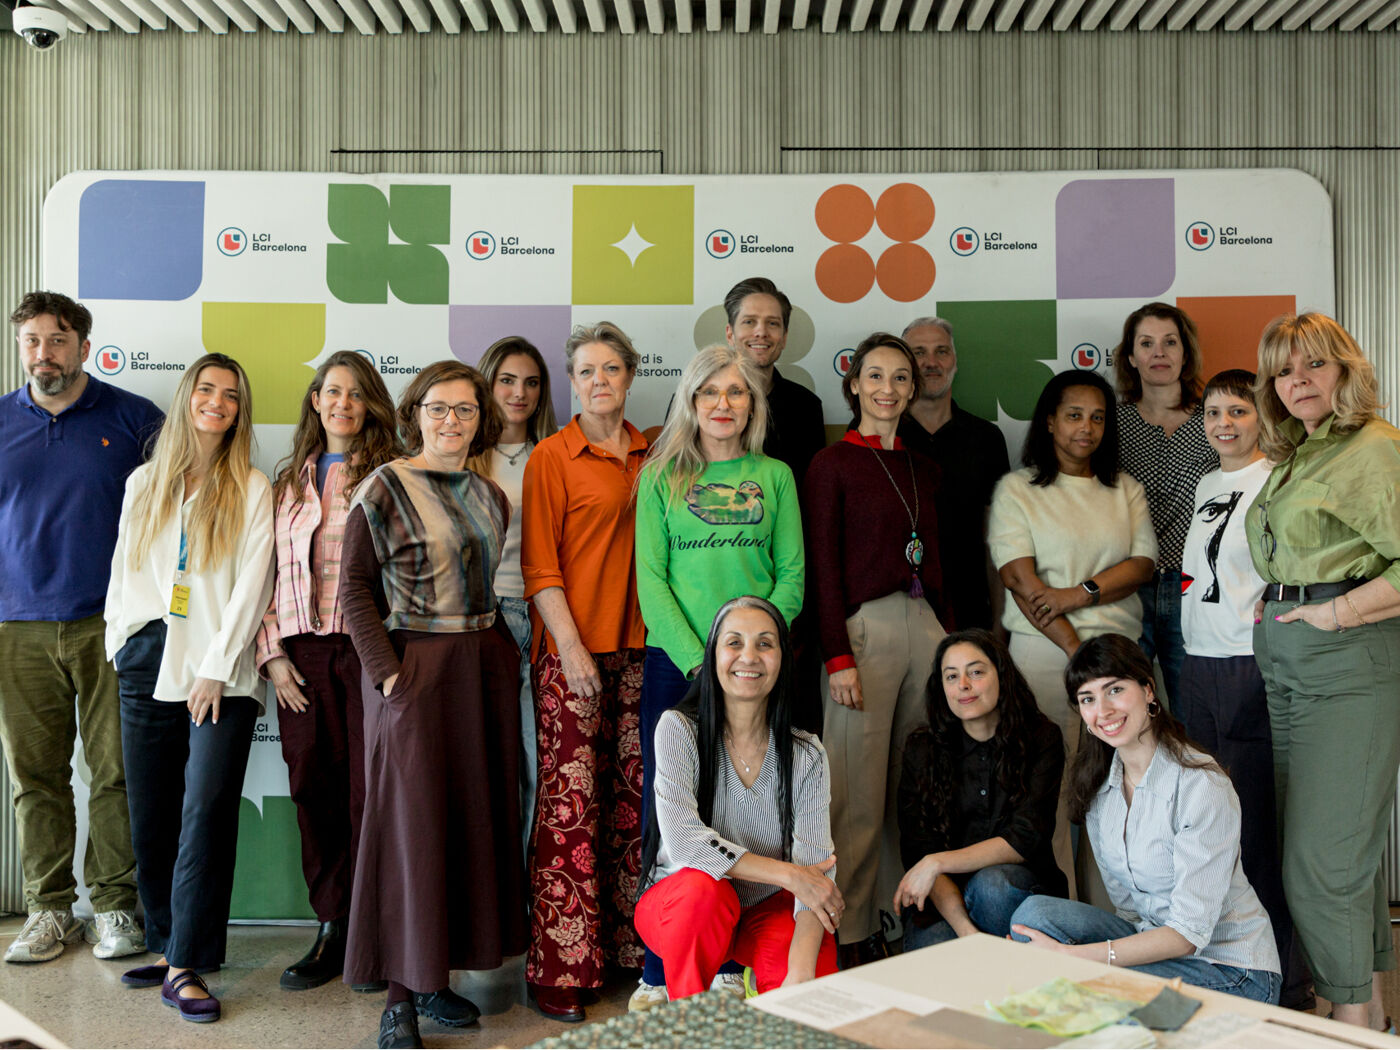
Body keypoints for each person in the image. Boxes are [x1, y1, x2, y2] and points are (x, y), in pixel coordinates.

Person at [340, 359, 525, 1050]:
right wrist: (389, 677)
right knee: (409, 830)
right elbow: (354, 590)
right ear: (416, 413)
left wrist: (502, 661)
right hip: (413, 668)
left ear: (483, 419)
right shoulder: (383, 487)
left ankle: (435, 978)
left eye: (466, 410)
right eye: (439, 408)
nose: (452, 421)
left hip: (478, 670)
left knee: (463, 824)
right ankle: (398, 1000)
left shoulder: (489, 495)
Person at [631, 343, 805, 1008]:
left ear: (752, 404)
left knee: (754, 805)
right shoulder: (660, 477)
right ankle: (657, 969)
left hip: (759, 666)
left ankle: (732, 962)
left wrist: (752, 651)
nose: (723, 405)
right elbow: (651, 580)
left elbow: (790, 576)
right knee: (672, 810)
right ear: (691, 403)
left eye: (736, 393)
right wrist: (705, 662)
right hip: (679, 667)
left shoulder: (777, 476)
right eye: (710, 394)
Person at [104, 353, 276, 1023]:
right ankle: (164, 940)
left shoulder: (252, 486)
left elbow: (252, 584)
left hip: (220, 673)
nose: (217, 401)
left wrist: (215, 664)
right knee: (151, 808)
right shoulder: (146, 481)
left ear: (239, 410)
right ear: (187, 398)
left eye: (230, 394)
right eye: (206, 389)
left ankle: (188, 964)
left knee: (205, 810)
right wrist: (123, 640)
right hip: (147, 655)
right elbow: (124, 571)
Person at [1245, 313, 1400, 1030]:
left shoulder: (1372, 446)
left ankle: (1351, 1023)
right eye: (1283, 370)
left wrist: (1336, 613)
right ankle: (1365, 1011)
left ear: (1344, 368)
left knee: (1320, 868)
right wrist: (1277, 593)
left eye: (1312, 364)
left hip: (1346, 664)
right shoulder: (1304, 451)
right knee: (1343, 862)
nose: (1296, 380)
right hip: (1291, 663)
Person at [0, 292, 161, 965]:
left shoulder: (134, 419)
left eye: (58, 340)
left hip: (109, 624)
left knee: (114, 772)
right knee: (35, 777)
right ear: (21, 349)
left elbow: (175, 514)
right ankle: (49, 910)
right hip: (17, 627)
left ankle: (115, 906)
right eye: (33, 341)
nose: (46, 354)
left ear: (84, 348)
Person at [1009, 634, 1281, 1004]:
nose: (1102, 711)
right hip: (1159, 953)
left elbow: (1186, 936)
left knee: (1073, 975)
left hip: (1232, 971)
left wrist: (1076, 958)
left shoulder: (1200, 784)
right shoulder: (1099, 791)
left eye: (1115, 690)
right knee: (1033, 917)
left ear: (1148, 690)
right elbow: (1128, 910)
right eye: (1087, 699)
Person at [255, 351, 402, 992]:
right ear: (315, 401)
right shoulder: (287, 483)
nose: (343, 403)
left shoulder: (391, 478)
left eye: (356, 394)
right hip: (302, 657)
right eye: (331, 392)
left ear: (370, 405)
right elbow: (259, 578)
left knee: (371, 795)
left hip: (367, 651)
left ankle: (381, 932)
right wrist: (273, 656)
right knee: (314, 790)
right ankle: (331, 926)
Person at [804, 331, 951, 966]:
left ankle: (903, 918)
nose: (887, 389)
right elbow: (823, 567)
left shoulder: (924, 467)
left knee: (917, 785)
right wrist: (837, 655)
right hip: (864, 633)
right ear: (854, 384)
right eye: (875, 377)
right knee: (856, 794)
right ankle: (851, 929)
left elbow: (938, 562)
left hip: (926, 624)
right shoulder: (831, 463)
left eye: (900, 378)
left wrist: (954, 642)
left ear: (912, 388)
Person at [521, 322, 649, 1022]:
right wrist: (569, 647)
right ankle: (562, 968)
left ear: (630, 376)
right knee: (570, 812)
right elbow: (539, 565)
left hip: (643, 653)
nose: (600, 381)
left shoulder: (653, 451)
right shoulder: (552, 455)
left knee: (633, 807)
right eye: (587, 371)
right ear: (572, 382)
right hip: (572, 652)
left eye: (612, 369)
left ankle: (629, 954)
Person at [987, 369, 1156, 897]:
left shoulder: (1124, 488)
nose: (1087, 427)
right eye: (1075, 415)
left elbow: (1143, 564)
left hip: (1121, 658)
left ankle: (1116, 921)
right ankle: (1062, 916)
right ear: (1050, 421)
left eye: (1099, 417)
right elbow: (1021, 580)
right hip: (1043, 657)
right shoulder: (1018, 489)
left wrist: (1080, 594)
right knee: (1049, 792)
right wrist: (1079, 650)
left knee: (1123, 788)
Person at [1176, 369, 1310, 1008]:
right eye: (1213, 414)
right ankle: (1227, 968)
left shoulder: (1278, 479)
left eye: (1238, 412)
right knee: (1210, 825)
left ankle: (1286, 983)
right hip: (1195, 664)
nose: (1224, 425)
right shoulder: (1207, 481)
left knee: (1256, 826)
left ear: (1263, 417)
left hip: (1245, 665)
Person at [634, 596, 841, 998]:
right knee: (702, 893)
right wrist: (789, 874)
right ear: (713, 656)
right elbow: (686, 845)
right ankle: (690, 1020)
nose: (749, 656)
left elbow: (817, 874)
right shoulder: (677, 729)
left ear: (782, 659)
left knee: (811, 981)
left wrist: (799, 979)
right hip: (685, 906)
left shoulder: (807, 753)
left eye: (765, 643)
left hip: (767, 908)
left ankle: (769, 988)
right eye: (734, 642)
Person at [894, 629, 1065, 949]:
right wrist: (968, 935)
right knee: (940, 961)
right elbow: (920, 851)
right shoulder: (922, 748)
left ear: (1001, 674)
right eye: (951, 676)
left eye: (976, 672)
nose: (963, 686)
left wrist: (937, 862)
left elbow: (1025, 838)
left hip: (1017, 890)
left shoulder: (1042, 738)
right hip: (943, 901)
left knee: (993, 887)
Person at [468, 336, 558, 849]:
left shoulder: (553, 454)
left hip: (538, 614)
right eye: (507, 380)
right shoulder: (460, 453)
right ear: (487, 383)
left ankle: (524, 902)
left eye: (530, 382)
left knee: (533, 758)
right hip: (478, 619)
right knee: (481, 761)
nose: (519, 392)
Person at [1113, 303, 1218, 705]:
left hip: (1194, 582)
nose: (1159, 352)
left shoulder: (1214, 417)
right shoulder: (1112, 425)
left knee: (1194, 707)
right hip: (1127, 584)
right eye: (1147, 343)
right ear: (1130, 357)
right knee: (1126, 704)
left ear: (1185, 353)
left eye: (1170, 342)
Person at [899, 318, 1010, 632]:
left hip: (970, 613)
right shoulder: (877, 436)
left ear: (955, 362)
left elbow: (996, 542)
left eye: (941, 352)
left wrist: (1000, 626)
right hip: (898, 616)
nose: (931, 362)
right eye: (918, 352)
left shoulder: (986, 438)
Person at [722, 277, 827, 492]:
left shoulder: (807, 407)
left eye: (772, 323)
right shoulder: (696, 401)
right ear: (730, 334)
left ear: (785, 337)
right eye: (749, 321)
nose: (761, 332)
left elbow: (812, 493)